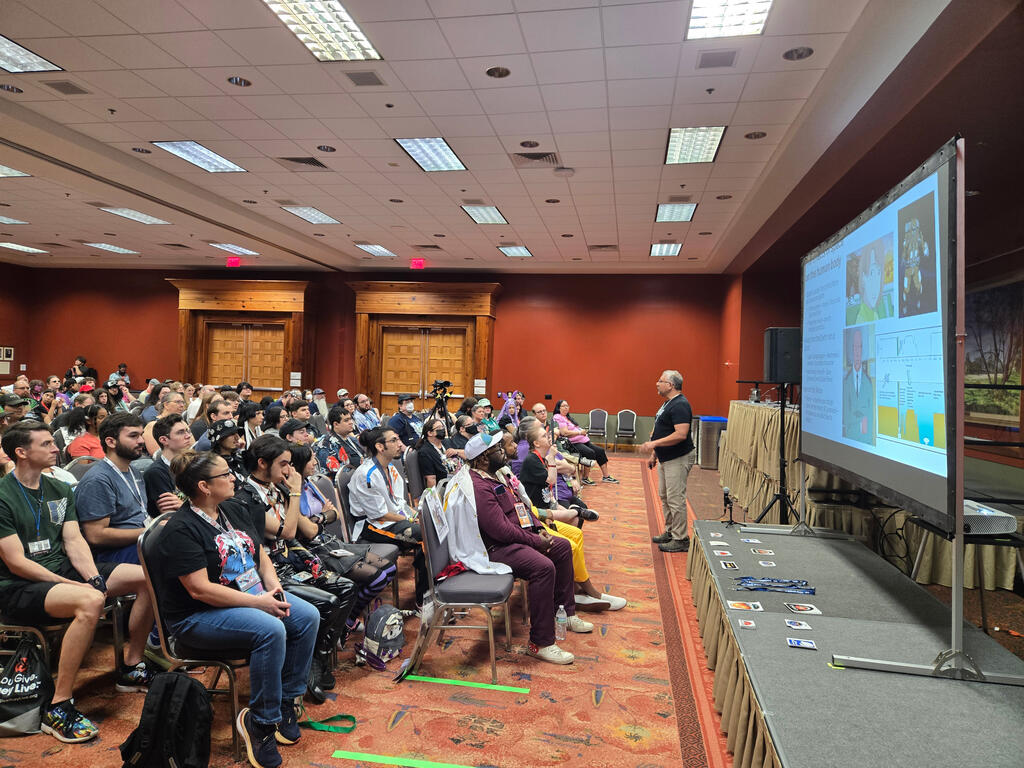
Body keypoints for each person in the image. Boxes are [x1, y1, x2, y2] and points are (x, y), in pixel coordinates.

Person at [151, 450, 319, 768]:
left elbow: (260, 554)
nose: (233, 478)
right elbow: (199, 589)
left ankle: (285, 700)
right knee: (271, 629)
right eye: (225, 475)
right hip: (197, 615)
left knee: (306, 616)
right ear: (203, 486)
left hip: (248, 595)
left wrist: (272, 587)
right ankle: (261, 723)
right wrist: (260, 603)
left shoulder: (231, 508)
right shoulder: (181, 529)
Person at [0, 421, 156, 744]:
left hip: (61, 573)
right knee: (91, 601)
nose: (56, 448)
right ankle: (59, 705)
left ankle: (131, 666)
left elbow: (74, 541)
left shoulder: (59, 488)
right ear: (21, 452)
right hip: (16, 586)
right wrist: (82, 588)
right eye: (46, 444)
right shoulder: (3, 496)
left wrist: (94, 578)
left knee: (147, 578)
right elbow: (16, 562)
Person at [235, 435, 356, 703]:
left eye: (290, 465)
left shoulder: (275, 486)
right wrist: (295, 491)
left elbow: (308, 530)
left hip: (292, 559)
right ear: (262, 463)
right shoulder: (247, 497)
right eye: (284, 464)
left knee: (346, 588)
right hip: (270, 570)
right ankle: (309, 664)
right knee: (328, 601)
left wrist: (300, 502)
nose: (289, 471)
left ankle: (319, 658)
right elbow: (288, 531)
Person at [464, 432, 591, 664]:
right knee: (543, 567)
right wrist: (534, 540)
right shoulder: (479, 486)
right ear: (482, 459)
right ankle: (540, 642)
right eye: (496, 450)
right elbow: (500, 531)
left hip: (516, 537)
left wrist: (536, 528)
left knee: (561, 547)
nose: (503, 451)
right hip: (494, 549)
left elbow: (522, 506)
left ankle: (564, 613)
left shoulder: (499, 474)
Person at [348, 426, 428, 606]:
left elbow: (400, 503)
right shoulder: (366, 475)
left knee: (432, 527)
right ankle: (424, 600)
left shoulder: (390, 467)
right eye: (394, 440)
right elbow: (380, 515)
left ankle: (430, 588)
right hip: (373, 526)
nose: (400, 444)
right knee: (426, 535)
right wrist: (412, 520)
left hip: (391, 519)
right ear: (380, 447)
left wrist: (418, 514)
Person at [74, 411, 149, 563]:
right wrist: (148, 532)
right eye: (133, 436)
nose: (141, 441)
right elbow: (96, 536)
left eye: (141, 434)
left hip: (140, 542)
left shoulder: (134, 471)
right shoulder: (98, 480)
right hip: (114, 554)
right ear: (111, 442)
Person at [641, 370, 695, 553]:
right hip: (666, 457)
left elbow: (681, 434)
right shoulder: (668, 403)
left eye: (660, 381)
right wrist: (654, 454)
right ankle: (671, 532)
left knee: (675, 498)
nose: (657, 383)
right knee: (665, 496)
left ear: (670, 385)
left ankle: (681, 539)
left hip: (677, 458)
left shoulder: (680, 405)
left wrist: (653, 444)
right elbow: (661, 429)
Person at [142, 413, 193, 518]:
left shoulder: (195, 463)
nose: (188, 436)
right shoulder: (156, 473)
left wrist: (186, 506)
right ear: (164, 440)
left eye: (188, 431)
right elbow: (170, 515)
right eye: (180, 432)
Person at [843, 327, 875, 444]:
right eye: (855, 347)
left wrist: (857, 415)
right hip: (850, 439)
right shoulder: (846, 382)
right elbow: (846, 416)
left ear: (863, 349)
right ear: (851, 350)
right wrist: (861, 416)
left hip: (865, 440)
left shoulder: (868, 382)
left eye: (860, 347)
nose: (857, 351)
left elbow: (870, 416)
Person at [313, 405, 363, 477]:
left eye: (350, 419)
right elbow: (336, 473)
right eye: (346, 420)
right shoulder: (326, 445)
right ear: (336, 424)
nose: (351, 422)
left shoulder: (353, 440)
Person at [416, 418, 455, 488]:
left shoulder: (446, 442)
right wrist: (435, 497)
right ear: (430, 433)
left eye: (442, 427)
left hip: (455, 478)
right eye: (439, 428)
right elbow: (431, 479)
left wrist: (457, 451)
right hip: (443, 486)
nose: (442, 429)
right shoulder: (425, 452)